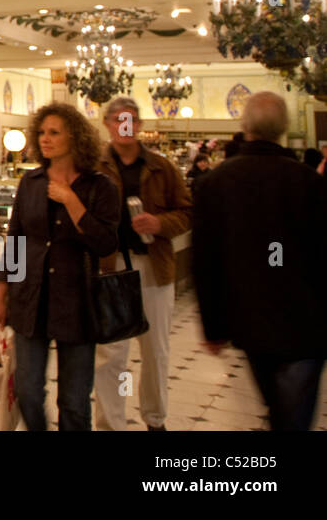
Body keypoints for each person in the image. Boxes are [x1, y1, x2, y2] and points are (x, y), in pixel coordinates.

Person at [193, 91, 327, 431]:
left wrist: (213, 327)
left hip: (250, 319)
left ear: (244, 126)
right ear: (283, 129)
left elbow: (206, 260)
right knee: (293, 415)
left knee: (278, 405)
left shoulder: (215, 183)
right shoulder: (310, 182)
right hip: (307, 320)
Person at [0, 102, 120, 431]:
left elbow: (106, 243)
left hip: (77, 301)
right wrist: (2, 292)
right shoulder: (30, 183)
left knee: (75, 400)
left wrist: (72, 202)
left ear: (74, 137)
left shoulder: (100, 187)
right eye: (42, 133)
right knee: (28, 390)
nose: (45, 139)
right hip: (31, 298)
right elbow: (16, 239)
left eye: (54, 132)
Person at [92, 96, 193, 432]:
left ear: (140, 126)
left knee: (155, 351)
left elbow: (188, 212)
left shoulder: (162, 168)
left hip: (154, 268)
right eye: (119, 119)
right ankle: (111, 422)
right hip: (112, 268)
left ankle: (154, 418)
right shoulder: (95, 166)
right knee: (111, 354)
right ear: (107, 123)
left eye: (131, 120)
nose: (125, 126)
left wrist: (159, 224)